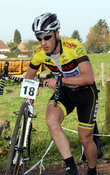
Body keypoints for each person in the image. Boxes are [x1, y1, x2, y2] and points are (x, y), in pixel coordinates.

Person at [25, 12, 99, 175]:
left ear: (57, 34)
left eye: (47, 37)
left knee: (85, 139)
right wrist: (29, 98)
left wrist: (59, 81)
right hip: (65, 92)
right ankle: (71, 168)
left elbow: (89, 77)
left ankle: (92, 170)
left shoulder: (73, 47)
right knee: (51, 120)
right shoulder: (39, 54)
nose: (43, 42)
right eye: (39, 38)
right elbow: (29, 76)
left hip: (86, 93)